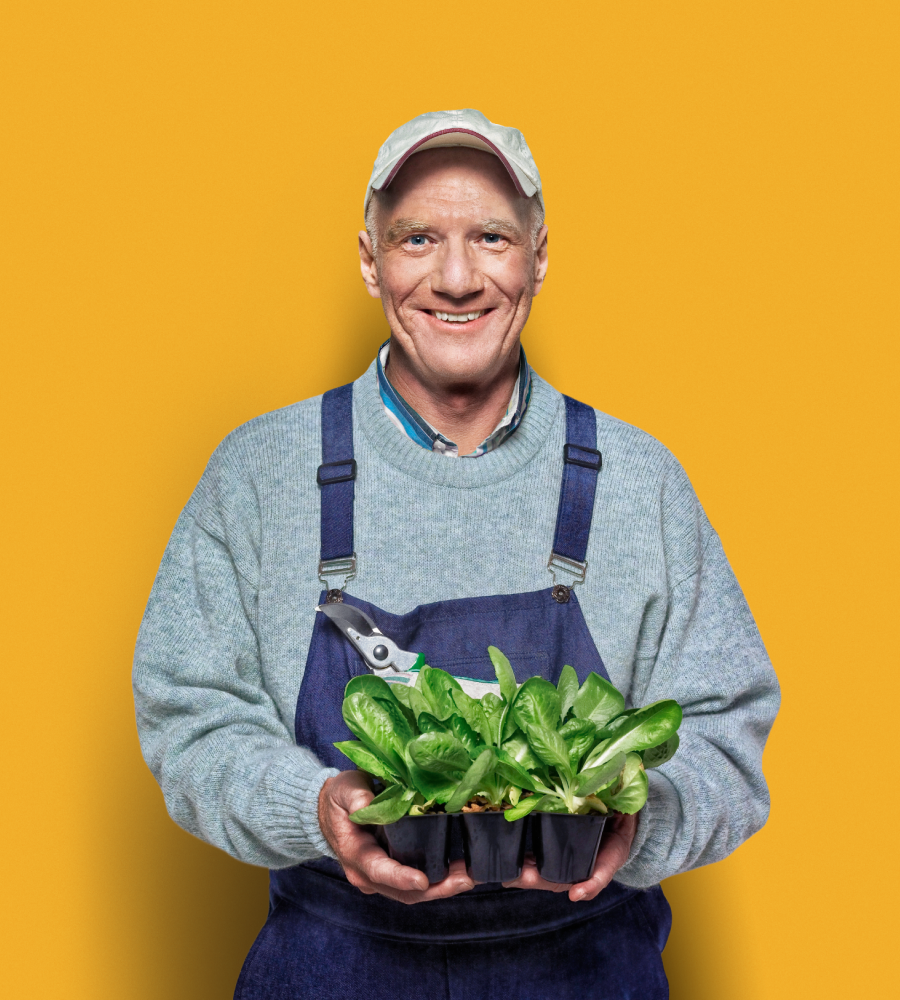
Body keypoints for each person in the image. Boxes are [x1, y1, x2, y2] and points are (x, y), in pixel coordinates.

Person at [134, 109, 780, 999]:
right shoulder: (260, 474)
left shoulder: (640, 482)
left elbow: (727, 736)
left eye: (490, 237)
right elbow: (188, 720)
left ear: (539, 256)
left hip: (586, 968)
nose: (456, 276)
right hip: (332, 966)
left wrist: (643, 818)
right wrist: (319, 809)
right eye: (416, 238)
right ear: (369, 259)